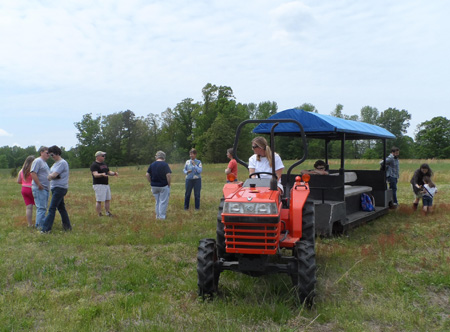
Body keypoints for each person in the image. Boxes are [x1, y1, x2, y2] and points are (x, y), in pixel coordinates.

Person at [41, 146, 72, 233]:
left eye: (52, 155)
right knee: (61, 208)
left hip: (60, 188)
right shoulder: (55, 164)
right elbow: (52, 175)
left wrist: (50, 176)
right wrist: (50, 176)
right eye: (50, 155)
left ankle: (46, 229)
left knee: (52, 208)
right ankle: (67, 227)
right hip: (54, 188)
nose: (51, 157)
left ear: (57, 153)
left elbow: (53, 175)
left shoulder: (62, 163)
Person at [90, 151, 118, 217]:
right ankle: (99, 214)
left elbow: (108, 171)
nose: (104, 157)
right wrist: (102, 174)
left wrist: (114, 173)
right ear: (98, 157)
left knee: (107, 199)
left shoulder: (104, 164)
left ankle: (107, 212)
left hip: (106, 184)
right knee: (99, 200)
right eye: (103, 156)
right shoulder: (94, 165)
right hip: (99, 185)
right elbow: (95, 174)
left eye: (104, 156)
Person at [146, 151, 172, 219]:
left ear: (157, 157)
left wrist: (151, 182)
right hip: (163, 185)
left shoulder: (152, 164)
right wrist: (169, 184)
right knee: (163, 202)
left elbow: (147, 174)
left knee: (157, 201)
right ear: (164, 157)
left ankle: (157, 216)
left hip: (154, 186)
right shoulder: (165, 165)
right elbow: (168, 175)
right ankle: (162, 217)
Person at [30, 146, 50, 230]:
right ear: (41, 152)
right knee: (41, 208)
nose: (48, 155)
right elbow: (33, 173)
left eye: (49, 153)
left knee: (43, 207)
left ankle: (41, 224)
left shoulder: (44, 162)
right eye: (47, 153)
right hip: (39, 188)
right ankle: (39, 227)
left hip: (45, 188)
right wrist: (39, 184)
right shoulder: (38, 161)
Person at [17, 155, 36, 227]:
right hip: (32, 188)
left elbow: (18, 181)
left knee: (28, 207)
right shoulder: (32, 170)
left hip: (24, 189)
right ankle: (39, 222)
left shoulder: (22, 170)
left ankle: (29, 224)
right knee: (38, 207)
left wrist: (25, 182)